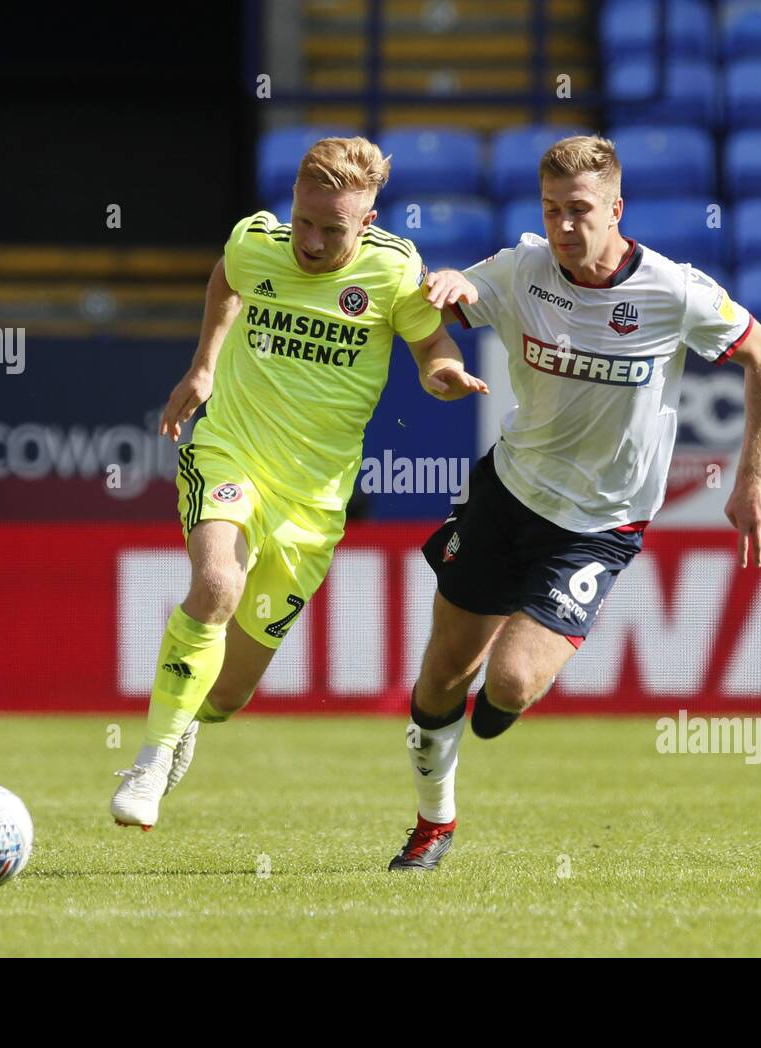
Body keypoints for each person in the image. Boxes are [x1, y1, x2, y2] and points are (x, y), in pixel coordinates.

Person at [387, 135, 761, 870]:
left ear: (616, 210)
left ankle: (496, 705)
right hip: (507, 495)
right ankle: (432, 824)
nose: (565, 227)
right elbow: (437, 312)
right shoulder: (521, 269)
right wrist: (441, 301)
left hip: (599, 525)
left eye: (580, 211)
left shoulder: (672, 291)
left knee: (506, 684)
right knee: (444, 672)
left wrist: (751, 477)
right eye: (551, 211)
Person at [110, 136, 489, 830]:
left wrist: (440, 373)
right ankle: (150, 761)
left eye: (331, 229)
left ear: (366, 223)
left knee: (227, 695)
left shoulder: (394, 273)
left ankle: (189, 719)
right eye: (304, 220)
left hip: (313, 502)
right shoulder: (259, 242)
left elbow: (431, 342)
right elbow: (228, 275)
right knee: (217, 584)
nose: (309, 242)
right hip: (231, 453)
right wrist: (203, 365)